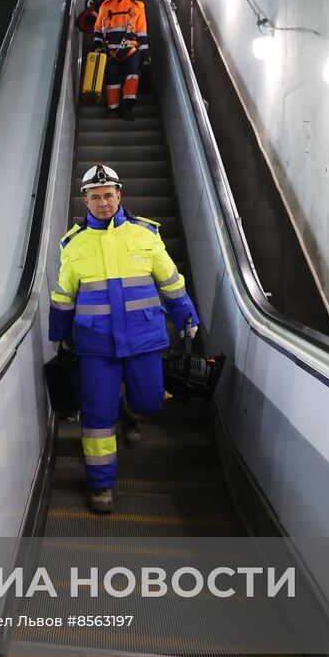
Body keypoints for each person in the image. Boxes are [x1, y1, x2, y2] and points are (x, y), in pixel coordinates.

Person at [49, 165, 198, 514]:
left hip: (143, 337)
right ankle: (101, 486)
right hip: (96, 344)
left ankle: (130, 414)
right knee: (97, 418)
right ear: (85, 201)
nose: (103, 202)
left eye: (108, 195)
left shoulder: (146, 234)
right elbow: (64, 295)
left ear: (119, 195)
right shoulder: (73, 244)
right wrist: (59, 335)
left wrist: (186, 317)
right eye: (95, 197)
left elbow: (171, 282)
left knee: (150, 401)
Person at [91, 0, 149, 119]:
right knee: (112, 78)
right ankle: (113, 108)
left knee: (132, 74)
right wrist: (97, 45)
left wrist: (145, 54)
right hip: (111, 51)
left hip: (131, 49)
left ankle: (128, 107)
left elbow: (141, 31)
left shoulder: (138, 7)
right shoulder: (106, 6)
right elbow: (98, 28)